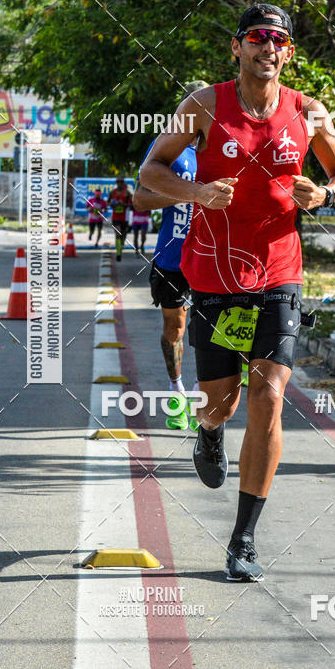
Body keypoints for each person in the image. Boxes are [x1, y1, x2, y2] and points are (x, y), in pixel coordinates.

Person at [139, 3, 335, 581]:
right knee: (223, 402)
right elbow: (149, 175)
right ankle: (208, 432)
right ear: (237, 47)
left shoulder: (307, 111)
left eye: (279, 39)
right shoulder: (204, 106)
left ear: (288, 52)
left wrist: (326, 195)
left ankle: (243, 540)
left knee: (268, 396)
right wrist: (196, 192)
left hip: (280, 273)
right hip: (215, 274)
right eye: (258, 37)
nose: (269, 46)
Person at [133, 80, 207, 431]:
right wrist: (186, 194)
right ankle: (176, 390)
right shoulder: (169, 148)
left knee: (212, 332)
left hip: (212, 258)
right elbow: (140, 199)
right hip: (172, 259)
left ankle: (201, 392)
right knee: (174, 329)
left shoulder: (223, 148)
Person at [107, 177, 132, 261]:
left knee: (123, 235)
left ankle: (121, 246)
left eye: (121, 182)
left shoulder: (127, 193)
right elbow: (108, 202)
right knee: (118, 233)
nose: (119, 183)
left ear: (123, 183)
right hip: (115, 217)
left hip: (124, 217)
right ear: (116, 183)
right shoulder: (112, 192)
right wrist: (113, 204)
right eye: (118, 182)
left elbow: (131, 204)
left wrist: (123, 204)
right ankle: (118, 253)